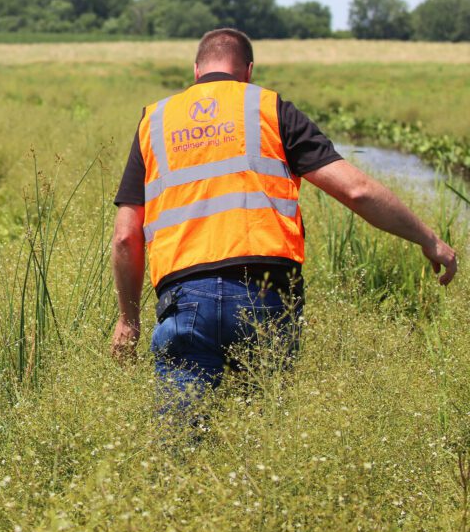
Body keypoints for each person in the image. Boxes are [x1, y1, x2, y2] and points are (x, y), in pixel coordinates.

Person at [110, 28, 457, 424]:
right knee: (263, 438)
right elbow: (357, 191)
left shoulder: (154, 122)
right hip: (265, 295)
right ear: (248, 71)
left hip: (184, 299)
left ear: (196, 70)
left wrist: (129, 320)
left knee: (179, 440)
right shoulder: (271, 109)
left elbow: (125, 237)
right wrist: (428, 238)